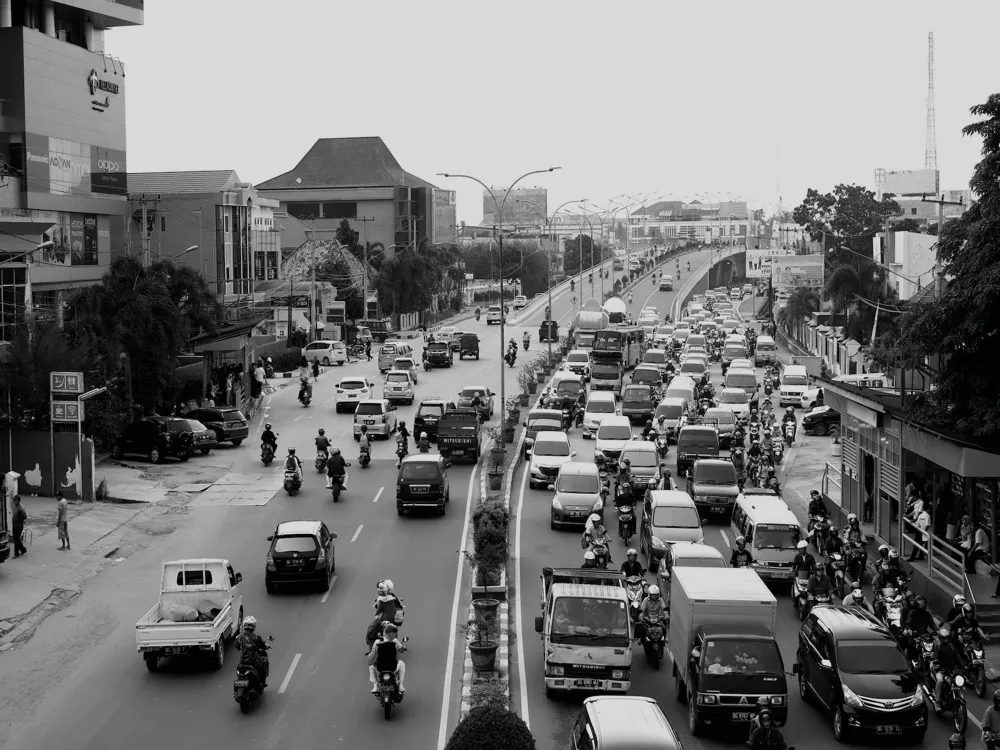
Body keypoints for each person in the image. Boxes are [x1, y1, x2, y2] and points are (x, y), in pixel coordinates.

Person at [368, 622, 406, 694]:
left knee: (371, 667)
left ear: (384, 632)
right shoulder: (394, 642)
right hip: (393, 669)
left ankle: (375, 686)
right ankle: (400, 685)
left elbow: (372, 658)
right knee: (402, 664)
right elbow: (397, 659)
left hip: (379, 670)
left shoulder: (377, 642)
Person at [234, 615, 269, 687]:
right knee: (264, 661)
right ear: (254, 626)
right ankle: (262, 682)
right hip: (254, 661)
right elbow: (263, 646)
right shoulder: (256, 637)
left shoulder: (240, 637)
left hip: (243, 661)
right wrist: (267, 646)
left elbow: (237, 646)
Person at [932, 624, 961, 705]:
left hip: (951, 670)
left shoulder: (952, 646)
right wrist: (937, 665)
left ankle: (957, 696)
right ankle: (937, 701)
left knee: (958, 681)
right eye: (944, 638)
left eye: (947, 638)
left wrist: (964, 666)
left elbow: (958, 657)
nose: (946, 640)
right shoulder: (938, 647)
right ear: (941, 638)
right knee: (940, 681)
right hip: (940, 670)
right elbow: (935, 658)